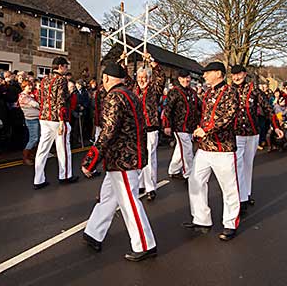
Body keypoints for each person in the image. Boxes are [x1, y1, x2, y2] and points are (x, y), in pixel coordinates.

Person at [81, 62, 157, 262]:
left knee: (129, 202)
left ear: (105, 78)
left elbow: (108, 132)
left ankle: (145, 244)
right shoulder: (130, 93)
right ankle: (94, 232)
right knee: (108, 196)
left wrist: (90, 160)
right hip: (128, 156)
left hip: (122, 159)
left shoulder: (114, 97)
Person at [182, 62, 241, 241]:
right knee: (195, 180)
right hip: (205, 147)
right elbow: (205, 116)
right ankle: (201, 218)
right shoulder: (208, 93)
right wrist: (198, 128)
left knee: (229, 188)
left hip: (223, 148)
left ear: (218, 73)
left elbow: (227, 117)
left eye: (207, 73)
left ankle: (230, 223)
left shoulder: (231, 92)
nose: (204, 76)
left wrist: (206, 129)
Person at [228, 64, 282, 213]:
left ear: (244, 74)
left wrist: (276, 126)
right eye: (233, 75)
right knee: (237, 166)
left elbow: (268, 108)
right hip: (235, 134)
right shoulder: (228, 91)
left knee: (247, 165)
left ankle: (246, 193)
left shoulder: (254, 90)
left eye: (239, 74)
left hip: (252, 133)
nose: (236, 77)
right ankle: (241, 198)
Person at [125, 52, 165, 201]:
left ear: (149, 78)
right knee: (137, 157)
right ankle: (140, 184)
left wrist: (151, 61)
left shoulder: (154, 89)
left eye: (145, 77)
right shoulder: (133, 88)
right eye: (140, 77)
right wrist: (123, 61)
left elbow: (160, 77)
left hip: (150, 128)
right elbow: (124, 77)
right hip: (136, 129)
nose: (142, 80)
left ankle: (150, 187)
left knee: (150, 158)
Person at [34, 57, 77, 189]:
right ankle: (65, 176)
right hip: (56, 119)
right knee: (63, 148)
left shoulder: (44, 79)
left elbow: (40, 98)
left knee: (42, 149)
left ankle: (38, 179)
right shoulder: (61, 80)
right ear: (60, 66)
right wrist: (62, 121)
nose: (67, 69)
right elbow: (61, 102)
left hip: (44, 117)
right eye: (65, 66)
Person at [162, 68, 201, 179]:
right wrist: (167, 125)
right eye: (183, 78)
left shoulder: (192, 92)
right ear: (179, 79)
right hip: (179, 126)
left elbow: (199, 106)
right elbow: (168, 109)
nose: (185, 80)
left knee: (181, 149)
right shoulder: (174, 92)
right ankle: (188, 173)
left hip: (190, 126)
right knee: (187, 150)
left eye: (187, 77)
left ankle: (173, 170)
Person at [18, 80, 40, 166]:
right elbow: (36, 105)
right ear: (24, 87)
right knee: (33, 138)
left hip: (36, 118)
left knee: (36, 138)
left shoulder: (30, 95)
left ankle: (31, 155)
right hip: (31, 120)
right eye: (28, 86)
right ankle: (25, 157)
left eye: (31, 85)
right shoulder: (23, 96)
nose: (30, 87)